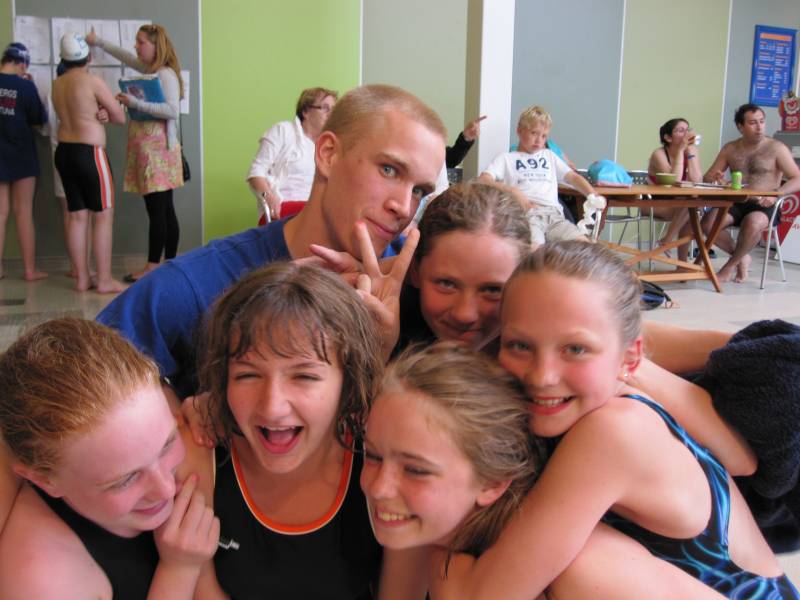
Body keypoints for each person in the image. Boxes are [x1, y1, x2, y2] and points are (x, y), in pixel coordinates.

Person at [430, 240, 796, 599]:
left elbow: (485, 595)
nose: (542, 376)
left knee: (578, 564)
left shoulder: (614, 430)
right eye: (520, 345)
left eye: (575, 349)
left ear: (631, 358)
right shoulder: (598, 400)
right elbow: (741, 458)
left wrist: (429, 531)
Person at [97, 83, 445, 399]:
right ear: (328, 154)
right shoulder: (198, 286)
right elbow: (80, 388)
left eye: (419, 190)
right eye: (388, 170)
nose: (404, 206)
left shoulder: (424, 290)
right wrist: (176, 421)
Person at [363, 342, 732, 599]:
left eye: (416, 470)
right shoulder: (436, 532)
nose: (379, 488)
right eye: (373, 455)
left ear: (492, 482)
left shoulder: (583, 573)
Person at [190, 261, 427, 598]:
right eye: (247, 375)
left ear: (348, 380)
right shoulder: (199, 446)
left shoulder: (390, 461)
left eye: (304, 376)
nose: (272, 407)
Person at [0, 318, 219, 599]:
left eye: (167, 444)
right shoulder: (41, 579)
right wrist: (179, 570)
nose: (166, 489)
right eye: (125, 480)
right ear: (45, 480)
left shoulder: (167, 406)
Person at [86, 24, 185, 284]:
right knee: (163, 208)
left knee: (159, 209)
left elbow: (172, 111)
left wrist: (135, 103)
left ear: (155, 45)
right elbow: (125, 56)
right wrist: (99, 42)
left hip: (159, 152)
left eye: (141, 42)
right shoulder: (150, 70)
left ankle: (154, 266)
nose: (136, 47)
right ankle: (168, 264)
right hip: (150, 151)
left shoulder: (165, 74)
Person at [397, 181, 530, 353]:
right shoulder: (388, 322)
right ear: (415, 270)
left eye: (492, 290)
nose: (464, 315)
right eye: (446, 284)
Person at [53, 32, 126, 294]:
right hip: (90, 153)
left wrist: (100, 111)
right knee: (103, 216)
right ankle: (104, 280)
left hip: (64, 152)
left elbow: (79, 110)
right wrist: (108, 110)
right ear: (89, 57)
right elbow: (119, 117)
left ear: (63, 58)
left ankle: (82, 278)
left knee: (76, 216)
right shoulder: (92, 81)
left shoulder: (57, 84)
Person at [703, 103, 800, 283]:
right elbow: (708, 177)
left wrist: (776, 194)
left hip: (765, 204)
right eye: (753, 123)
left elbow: (797, 178)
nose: (759, 127)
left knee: (753, 222)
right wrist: (718, 179)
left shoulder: (776, 148)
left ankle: (730, 266)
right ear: (740, 127)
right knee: (707, 224)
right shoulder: (730, 149)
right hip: (736, 201)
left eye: (762, 121)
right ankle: (741, 257)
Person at [479, 105, 602, 246]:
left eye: (544, 136)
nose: (539, 140)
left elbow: (572, 177)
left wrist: (593, 194)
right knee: (535, 249)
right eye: (534, 133)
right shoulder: (506, 158)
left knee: (585, 247)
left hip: (554, 216)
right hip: (526, 214)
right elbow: (483, 180)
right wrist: (512, 191)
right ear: (519, 130)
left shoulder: (549, 156)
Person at [247, 87, 338, 223]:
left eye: (333, 110)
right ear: (306, 111)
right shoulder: (283, 131)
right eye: (325, 108)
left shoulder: (328, 148)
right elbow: (255, 173)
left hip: (313, 209)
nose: (330, 114)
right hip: (281, 208)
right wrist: (268, 196)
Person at [0, 42, 47, 281]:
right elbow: (39, 119)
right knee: (23, 212)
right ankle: (29, 270)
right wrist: (30, 85)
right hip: (22, 154)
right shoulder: (25, 86)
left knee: (0, 213)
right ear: (22, 65)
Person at [647, 117, 703, 259]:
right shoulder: (659, 154)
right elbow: (675, 181)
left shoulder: (691, 151)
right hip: (653, 203)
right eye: (680, 131)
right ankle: (669, 241)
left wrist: (690, 152)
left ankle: (680, 263)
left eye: (688, 130)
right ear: (668, 138)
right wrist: (680, 151)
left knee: (692, 207)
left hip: (679, 203)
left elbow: (697, 181)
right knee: (691, 207)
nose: (686, 134)